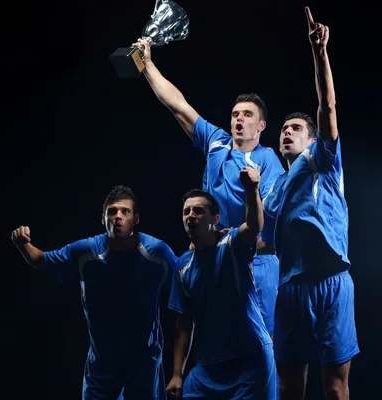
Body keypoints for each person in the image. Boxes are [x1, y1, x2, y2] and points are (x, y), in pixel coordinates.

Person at [134, 37, 285, 337]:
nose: (239, 119)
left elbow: (266, 222)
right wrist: (147, 64)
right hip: (213, 257)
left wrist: (233, 238)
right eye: (235, 114)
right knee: (215, 339)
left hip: (257, 262)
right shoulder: (216, 142)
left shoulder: (269, 162)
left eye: (248, 115)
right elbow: (177, 104)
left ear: (261, 126)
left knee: (260, 346)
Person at [261, 7, 359, 400]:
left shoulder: (321, 158)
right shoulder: (273, 189)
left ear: (311, 138)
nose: (287, 132)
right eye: (283, 128)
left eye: (295, 128)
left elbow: (328, 108)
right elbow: (267, 242)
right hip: (291, 289)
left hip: (331, 281)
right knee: (288, 386)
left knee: (334, 386)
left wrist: (321, 54)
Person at [10, 185, 178, 400]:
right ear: (103, 218)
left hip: (144, 362)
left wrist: (203, 246)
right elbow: (40, 260)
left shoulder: (157, 252)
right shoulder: (85, 251)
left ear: (136, 219)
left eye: (124, 211)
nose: (117, 217)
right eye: (112, 211)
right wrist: (23, 243)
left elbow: (184, 278)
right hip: (102, 364)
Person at [165, 167, 276, 400]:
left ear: (215, 218)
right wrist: (177, 373)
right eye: (186, 212)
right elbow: (184, 323)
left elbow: (254, 226)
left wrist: (252, 189)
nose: (191, 216)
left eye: (198, 210)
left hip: (250, 360)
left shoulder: (232, 244)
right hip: (208, 368)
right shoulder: (182, 266)